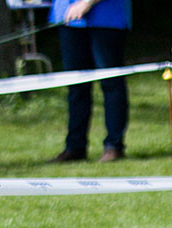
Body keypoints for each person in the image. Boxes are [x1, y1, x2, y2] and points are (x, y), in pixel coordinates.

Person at [49, 0, 131, 162]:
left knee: (111, 84)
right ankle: (74, 147)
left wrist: (86, 2)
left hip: (106, 17)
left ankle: (114, 146)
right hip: (68, 16)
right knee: (76, 86)